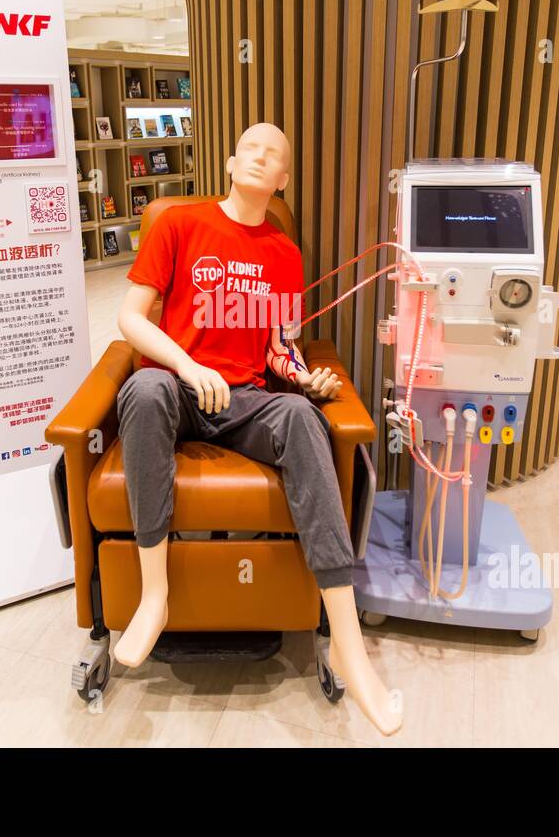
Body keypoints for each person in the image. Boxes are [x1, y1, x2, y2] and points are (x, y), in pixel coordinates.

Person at [113, 122, 402, 736]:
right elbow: (128, 318)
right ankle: (154, 596)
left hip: (244, 399)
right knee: (142, 387)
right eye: (252, 147)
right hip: (178, 391)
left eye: (274, 154)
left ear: (283, 180)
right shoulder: (178, 224)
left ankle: (350, 645)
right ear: (230, 162)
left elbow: (279, 348)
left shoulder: (283, 254)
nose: (261, 155)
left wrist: (305, 379)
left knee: (303, 418)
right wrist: (188, 367)